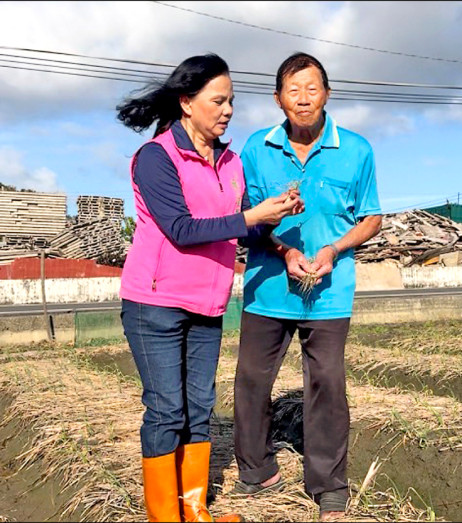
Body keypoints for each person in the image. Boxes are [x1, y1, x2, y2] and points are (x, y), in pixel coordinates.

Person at [116, 53, 303, 523]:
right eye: (218, 100)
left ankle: (195, 510)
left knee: (199, 409)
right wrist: (251, 216)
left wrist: (277, 224)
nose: (227, 110)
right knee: (166, 410)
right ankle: (166, 517)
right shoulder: (155, 157)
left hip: (207, 303)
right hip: (154, 303)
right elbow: (181, 228)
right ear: (186, 102)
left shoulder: (231, 163)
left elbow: (243, 229)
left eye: (231, 102)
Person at [232, 52, 382, 521]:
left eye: (312, 88)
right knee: (253, 381)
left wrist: (334, 250)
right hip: (267, 287)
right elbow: (247, 220)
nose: (303, 98)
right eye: (293, 90)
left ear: (327, 94)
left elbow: (371, 217)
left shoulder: (357, 149)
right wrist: (284, 250)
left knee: (327, 385)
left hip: (330, 290)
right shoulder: (256, 149)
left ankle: (329, 486)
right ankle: (256, 470)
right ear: (278, 98)